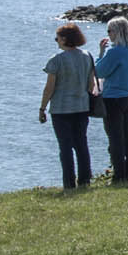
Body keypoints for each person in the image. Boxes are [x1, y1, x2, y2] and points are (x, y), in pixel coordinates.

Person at [39, 23, 96, 190]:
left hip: (61, 109)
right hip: (82, 107)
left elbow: (49, 87)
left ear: (64, 39)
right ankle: (85, 181)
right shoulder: (87, 56)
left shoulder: (56, 60)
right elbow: (91, 84)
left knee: (65, 148)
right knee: (81, 145)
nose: (56, 41)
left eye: (57, 38)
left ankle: (69, 183)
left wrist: (42, 108)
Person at [94, 17, 128, 184]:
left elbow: (99, 72)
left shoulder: (115, 52)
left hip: (114, 99)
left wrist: (100, 53)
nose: (108, 34)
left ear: (117, 32)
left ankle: (119, 175)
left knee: (115, 138)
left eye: (110, 31)